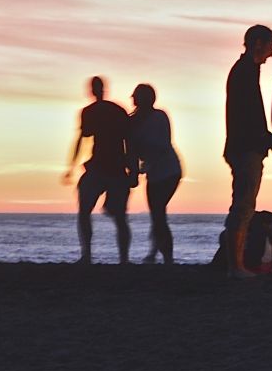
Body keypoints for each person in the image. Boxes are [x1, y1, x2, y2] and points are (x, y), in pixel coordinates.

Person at [224, 25, 272, 278]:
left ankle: (237, 265)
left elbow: (253, 119)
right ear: (258, 44)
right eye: (270, 48)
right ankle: (236, 266)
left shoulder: (247, 71)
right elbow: (250, 118)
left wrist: (271, 142)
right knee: (243, 206)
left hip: (246, 146)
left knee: (245, 205)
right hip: (245, 148)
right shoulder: (244, 72)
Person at [62, 76, 132, 265]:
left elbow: (82, 138)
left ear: (93, 91)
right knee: (115, 216)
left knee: (91, 212)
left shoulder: (92, 111)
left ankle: (90, 255)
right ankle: (116, 258)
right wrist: (131, 168)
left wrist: (71, 166)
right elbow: (129, 141)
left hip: (108, 167)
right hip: (109, 167)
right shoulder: (117, 110)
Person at [128, 83, 182, 264]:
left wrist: (142, 167)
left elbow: (163, 144)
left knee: (158, 213)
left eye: (136, 96)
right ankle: (155, 252)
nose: (133, 99)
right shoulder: (133, 122)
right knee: (157, 214)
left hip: (168, 170)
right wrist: (135, 171)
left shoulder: (159, 116)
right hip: (154, 172)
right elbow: (132, 150)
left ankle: (166, 257)